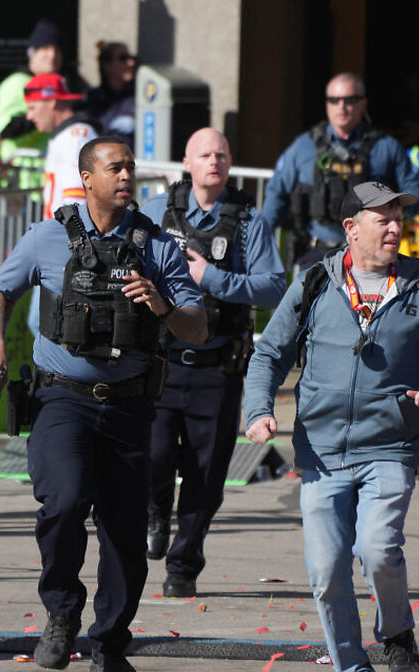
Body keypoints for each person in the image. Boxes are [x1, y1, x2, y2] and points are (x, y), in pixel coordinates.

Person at [0, 136, 207, 672]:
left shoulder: (158, 247)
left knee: (124, 535)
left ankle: (109, 644)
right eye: (116, 167)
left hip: (130, 406)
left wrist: (164, 304)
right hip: (62, 399)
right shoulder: (45, 236)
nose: (127, 175)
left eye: (131, 167)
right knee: (62, 502)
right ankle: (61, 611)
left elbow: (197, 327)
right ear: (88, 178)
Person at [244, 181, 419, 672]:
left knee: (378, 549)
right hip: (321, 452)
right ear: (351, 229)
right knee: (326, 571)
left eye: (399, 218)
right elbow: (269, 354)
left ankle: (396, 635)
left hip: (392, 444)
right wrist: (258, 410)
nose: (396, 228)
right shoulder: (313, 283)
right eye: (384, 219)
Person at [138, 128, 286, 597]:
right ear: (187, 162)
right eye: (204, 155)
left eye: (222, 155)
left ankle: (184, 565)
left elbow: (272, 287)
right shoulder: (157, 211)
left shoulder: (248, 221)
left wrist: (212, 278)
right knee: (153, 457)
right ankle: (156, 509)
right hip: (161, 361)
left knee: (206, 476)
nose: (214, 162)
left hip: (217, 366)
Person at [260, 73, 419, 271]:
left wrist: (389, 217)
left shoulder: (386, 148)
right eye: (334, 100)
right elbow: (276, 194)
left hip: (369, 257)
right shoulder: (303, 147)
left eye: (350, 100)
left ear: (363, 104)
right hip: (316, 255)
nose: (342, 106)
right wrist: (260, 242)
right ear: (326, 104)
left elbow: (415, 192)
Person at [0, 19, 62, 190]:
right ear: (32, 52)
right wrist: (46, 116)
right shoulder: (16, 83)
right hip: (20, 184)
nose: (52, 55)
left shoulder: (57, 84)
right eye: (45, 49)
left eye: (57, 50)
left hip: (45, 183)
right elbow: (6, 129)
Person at [25, 73, 98, 218]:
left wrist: (64, 237)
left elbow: (75, 201)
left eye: (32, 108)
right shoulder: (67, 136)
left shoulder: (74, 138)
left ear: (52, 101)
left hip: (67, 235)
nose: (29, 116)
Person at [83, 41, 137, 149]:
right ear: (107, 66)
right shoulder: (93, 98)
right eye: (123, 58)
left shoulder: (138, 96)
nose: (131, 63)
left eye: (131, 58)